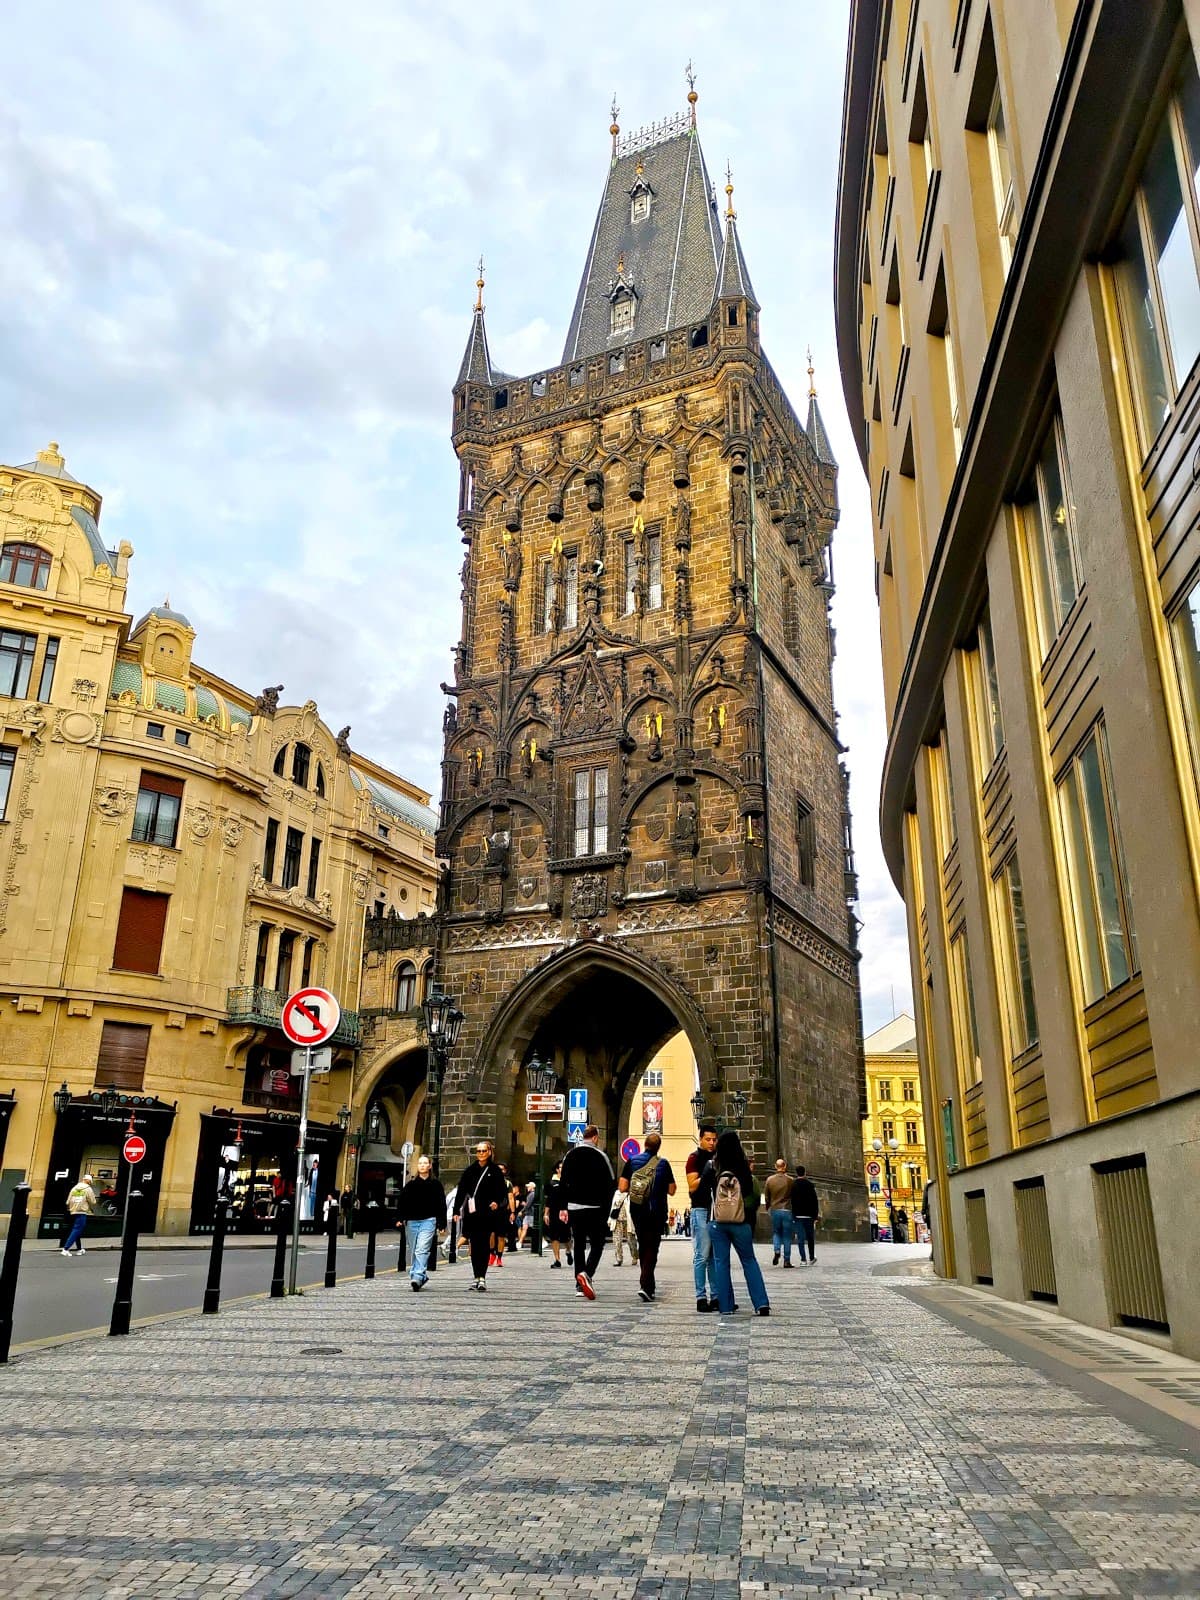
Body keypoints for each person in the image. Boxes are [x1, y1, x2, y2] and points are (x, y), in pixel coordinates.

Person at [701, 1130, 769, 1316]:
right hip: (741, 1221)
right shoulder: (744, 1167)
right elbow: (750, 1194)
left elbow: (701, 1190)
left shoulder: (712, 1166)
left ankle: (726, 1306)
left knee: (721, 1263)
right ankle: (761, 1303)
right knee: (749, 1260)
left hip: (718, 1222)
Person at [557, 1124, 615, 1299]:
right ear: (596, 1138)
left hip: (574, 1208)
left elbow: (563, 1183)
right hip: (595, 1209)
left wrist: (563, 1206)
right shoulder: (601, 1156)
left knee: (579, 1245)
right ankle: (587, 1274)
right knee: (597, 1244)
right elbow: (609, 1185)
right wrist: (607, 1211)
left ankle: (579, 1285)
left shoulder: (569, 1155)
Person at [618, 1130, 676, 1302]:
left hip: (637, 1210)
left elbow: (622, 1187)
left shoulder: (632, 1161)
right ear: (658, 1147)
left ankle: (647, 1286)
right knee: (652, 1247)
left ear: (645, 1145)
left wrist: (637, 1189)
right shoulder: (663, 1164)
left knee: (643, 1243)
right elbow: (672, 1191)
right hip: (657, 1211)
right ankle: (646, 1284)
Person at [453, 1139, 509, 1291]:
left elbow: (502, 1192)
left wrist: (496, 1202)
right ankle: (475, 1276)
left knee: (483, 1245)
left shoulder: (495, 1171)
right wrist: (456, 1210)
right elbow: (461, 1191)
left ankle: (482, 1277)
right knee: (474, 1245)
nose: (481, 1153)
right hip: (472, 1213)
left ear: (490, 1152)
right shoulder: (470, 1170)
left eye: (484, 1151)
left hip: (487, 1213)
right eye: (478, 1151)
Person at [396, 1155, 446, 1291]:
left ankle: (417, 1276)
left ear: (430, 1166)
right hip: (412, 1221)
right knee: (414, 1250)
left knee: (422, 1249)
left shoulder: (436, 1185)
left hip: (429, 1221)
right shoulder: (411, 1185)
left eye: (425, 1163)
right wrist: (400, 1218)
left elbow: (442, 1204)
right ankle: (420, 1277)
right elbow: (402, 1203)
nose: (422, 1165)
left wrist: (442, 1223)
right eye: (420, 1163)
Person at [686, 1123, 719, 1312]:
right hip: (701, 1209)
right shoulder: (694, 1158)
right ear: (701, 1139)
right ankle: (700, 1297)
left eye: (714, 1140)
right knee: (702, 1255)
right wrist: (706, 1174)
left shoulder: (717, 1157)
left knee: (714, 1257)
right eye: (708, 1139)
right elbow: (692, 1185)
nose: (711, 1143)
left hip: (717, 1210)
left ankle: (715, 1296)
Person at [764, 1157, 795, 1267]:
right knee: (787, 1236)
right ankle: (787, 1260)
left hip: (775, 1209)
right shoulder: (790, 1180)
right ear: (785, 1166)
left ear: (776, 1167)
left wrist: (768, 1207)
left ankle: (777, 1250)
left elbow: (767, 1197)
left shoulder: (769, 1180)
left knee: (776, 1232)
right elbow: (794, 1196)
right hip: (787, 1209)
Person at [61, 1173, 97, 1256]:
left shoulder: (74, 1188)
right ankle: (65, 1249)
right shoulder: (88, 1189)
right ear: (89, 1181)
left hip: (72, 1211)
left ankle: (79, 1249)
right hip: (81, 1211)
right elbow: (93, 1201)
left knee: (77, 1230)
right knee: (77, 1229)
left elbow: (67, 1201)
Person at [543, 1162, 571, 1268]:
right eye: (561, 1167)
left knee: (566, 1236)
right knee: (554, 1236)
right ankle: (557, 1260)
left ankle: (568, 1251)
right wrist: (546, 1214)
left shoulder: (570, 1181)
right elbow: (549, 1200)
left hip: (566, 1211)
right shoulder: (551, 1183)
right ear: (557, 1169)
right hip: (554, 1211)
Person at [791, 1164, 820, 1264]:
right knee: (810, 1237)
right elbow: (814, 1201)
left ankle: (803, 1259)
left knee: (800, 1238)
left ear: (796, 1173)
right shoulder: (809, 1184)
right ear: (805, 1172)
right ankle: (811, 1257)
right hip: (809, 1215)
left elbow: (792, 1201)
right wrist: (815, 1215)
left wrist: (793, 1214)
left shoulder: (793, 1185)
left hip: (798, 1215)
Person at [610, 1188, 638, 1267]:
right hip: (617, 1220)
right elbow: (613, 1206)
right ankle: (619, 1259)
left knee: (630, 1240)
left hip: (628, 1221)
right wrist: (610, 1220)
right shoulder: (617, 1193)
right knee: (617, 1240)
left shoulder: (631, 1194)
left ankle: (634, 1256)